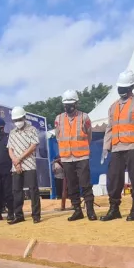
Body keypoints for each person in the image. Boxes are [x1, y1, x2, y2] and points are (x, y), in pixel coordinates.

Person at [101, 70, 134, 222]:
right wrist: (106, 147)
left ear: (132, 87)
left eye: (125, 87)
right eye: (120, 87)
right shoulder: (113, 106)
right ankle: (114, 208)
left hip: (133, 146)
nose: (121, 90)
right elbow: (110, 128)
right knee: (114, 178)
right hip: (117, 148)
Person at [54, 89, 96, 221]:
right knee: (72, 185)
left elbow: (89, 135)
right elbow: (57, 136)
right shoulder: (58, 119)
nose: (68, 106)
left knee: (85, 184)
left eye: (70, 103)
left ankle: (90, 210)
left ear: (76, 103)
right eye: (66, 104)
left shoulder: (84, 117)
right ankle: (77, 210)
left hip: (82, 156)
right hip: (66, 157)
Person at [7, 106, 41, 224]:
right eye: (15, 120)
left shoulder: (32, 129)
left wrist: (19, 159)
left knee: (33, 190)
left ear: (24, 117)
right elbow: (10, 149)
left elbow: (33, 146)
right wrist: (15, 162)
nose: (17, 122)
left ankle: (36, 215)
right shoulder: (12, 133)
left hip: (29, 164)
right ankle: (18, 215)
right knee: (16, 190)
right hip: (16, 165)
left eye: (19, 119)